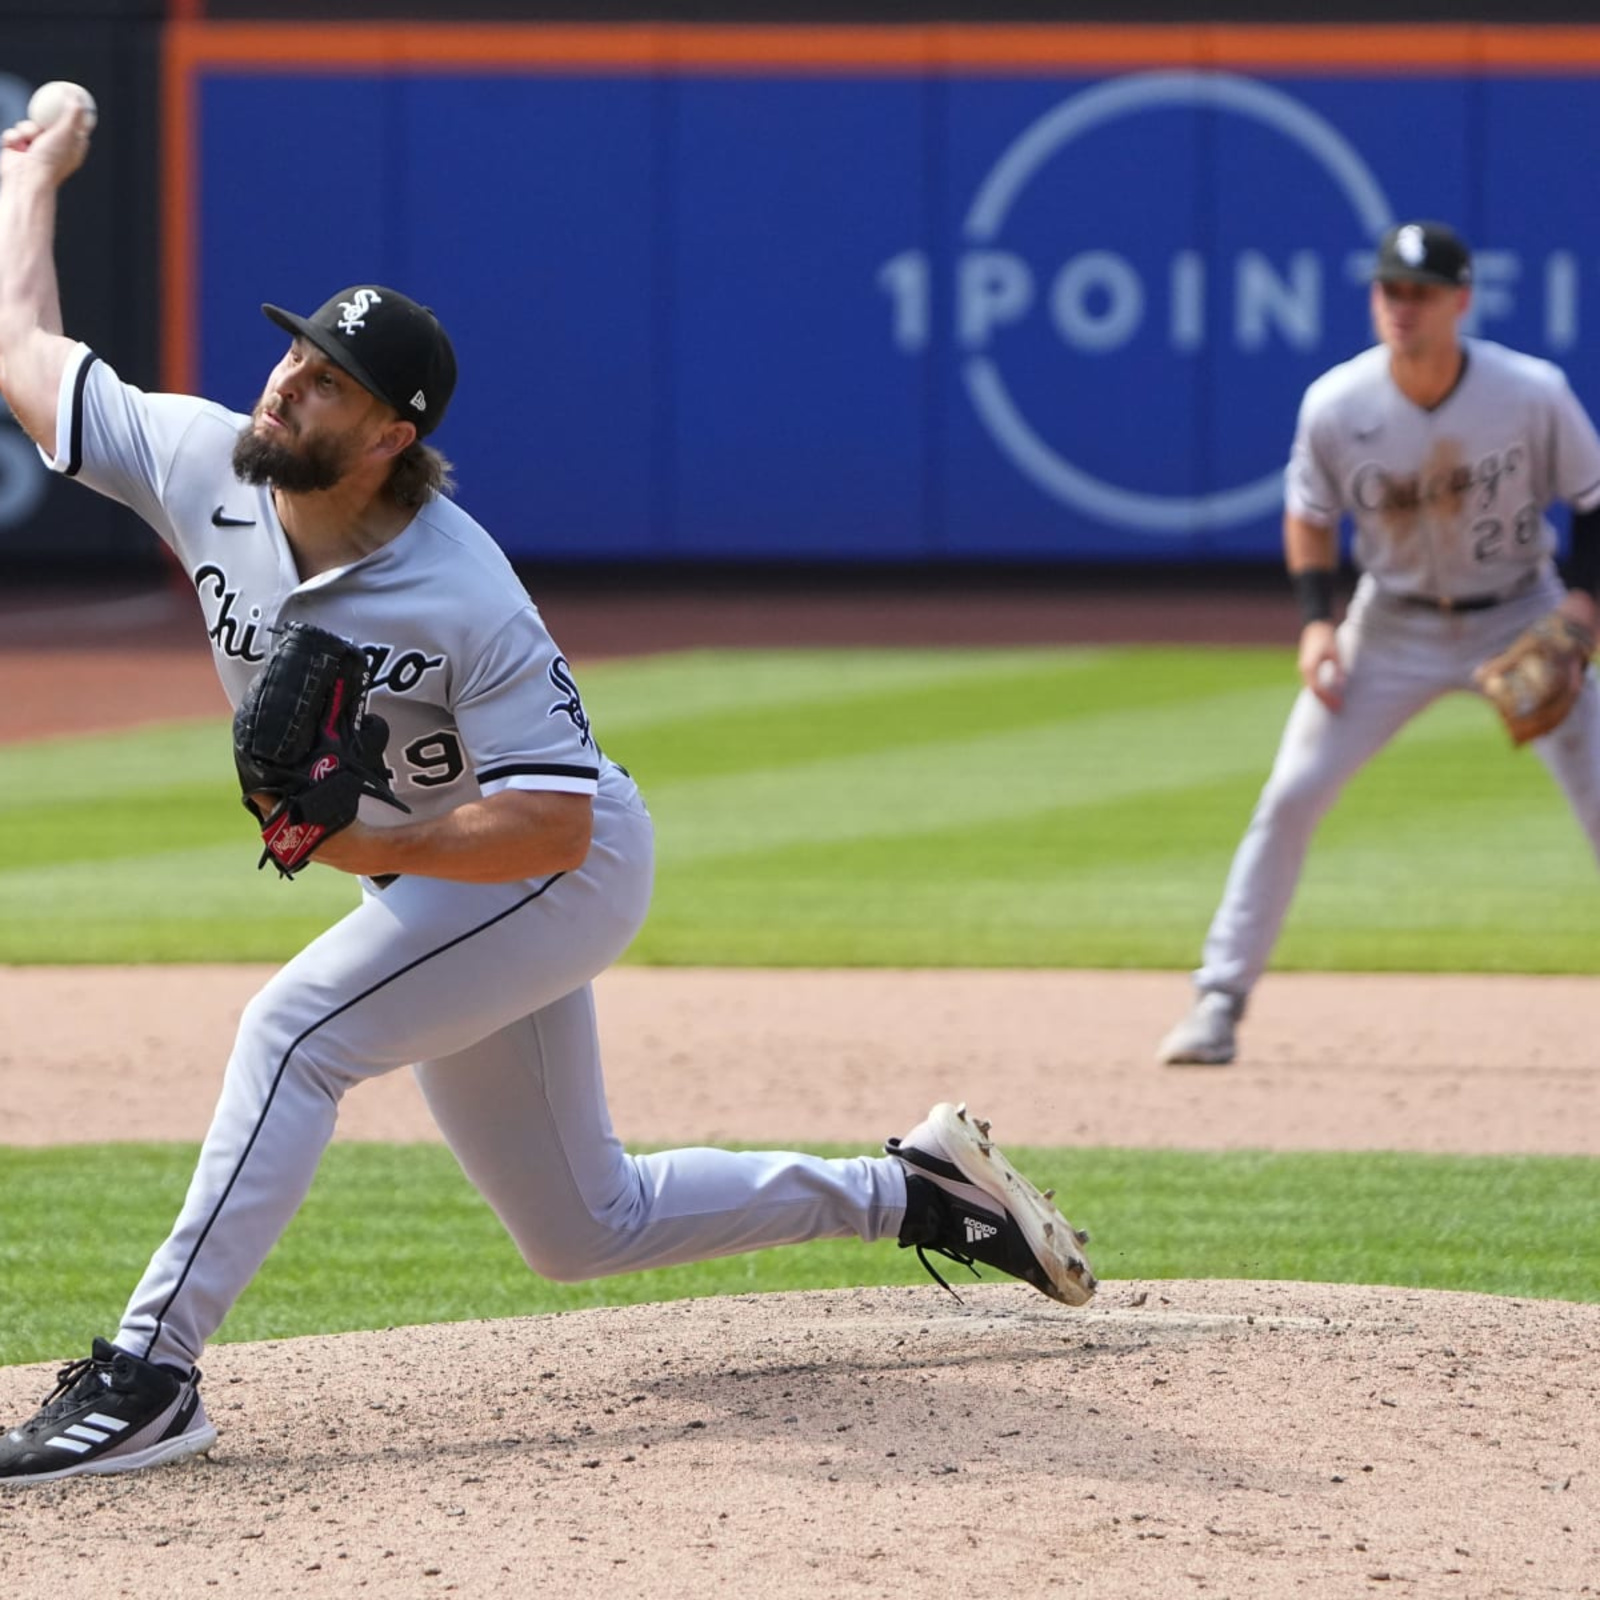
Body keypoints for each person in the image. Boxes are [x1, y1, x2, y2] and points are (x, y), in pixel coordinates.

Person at [0, 96, 1094, 1482]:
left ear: (392, 434)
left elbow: (555, 823)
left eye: (326, 379)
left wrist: (350, 844)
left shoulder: (462, 590)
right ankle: (916, 1193)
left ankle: (150, 1375)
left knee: (293, 1033)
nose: (285, 383)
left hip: (554, 870)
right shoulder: (203, 461)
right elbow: (25, 349)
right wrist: (32, 178)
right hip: (445, 874)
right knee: (584, 1225)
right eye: (293, 353)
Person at [1158, 219, 1600, 1067]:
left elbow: (1592, 497)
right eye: (1391, 289)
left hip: (1521, 610)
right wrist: (1318, 622)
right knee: (1291, 794)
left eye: (1422, 292)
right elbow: (1309, 517)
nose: (1404, 306)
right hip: (1388, 624)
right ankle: (1218, 999)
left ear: (1461, 300)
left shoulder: (1531, 392)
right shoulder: (1337, 402)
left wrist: (1581, 607)